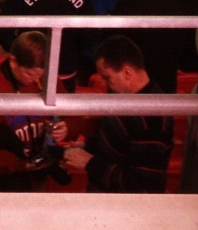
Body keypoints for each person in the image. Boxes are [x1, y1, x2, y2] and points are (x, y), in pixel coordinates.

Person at [0, 30, 68, 191]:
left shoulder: (48, 78)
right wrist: (18, 164)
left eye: (41, 74)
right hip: (2, 178)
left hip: (39, 169)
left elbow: (67, 114)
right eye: (30, 74)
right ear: (13, 62)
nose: (36, 80)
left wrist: (64, 127)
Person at [62, 35, 172, 193]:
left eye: (107, 78)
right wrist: (89, 146)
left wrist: (89, 163)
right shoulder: (124, 96)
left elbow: (141, 184)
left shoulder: (152, 116)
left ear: (127, 72)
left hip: (121, 205)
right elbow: (120, 144)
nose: (104, 83)